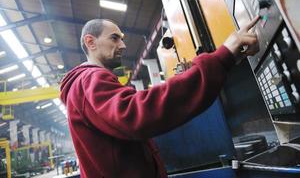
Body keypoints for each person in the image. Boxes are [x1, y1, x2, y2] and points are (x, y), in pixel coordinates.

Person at [60, 16, 260, 178]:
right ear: (90, 42)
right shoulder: (90, 79)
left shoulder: (84, 85)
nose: (123, 45)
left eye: (122, 38)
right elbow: (139, 114)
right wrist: (222, 57)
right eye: (114, 38)